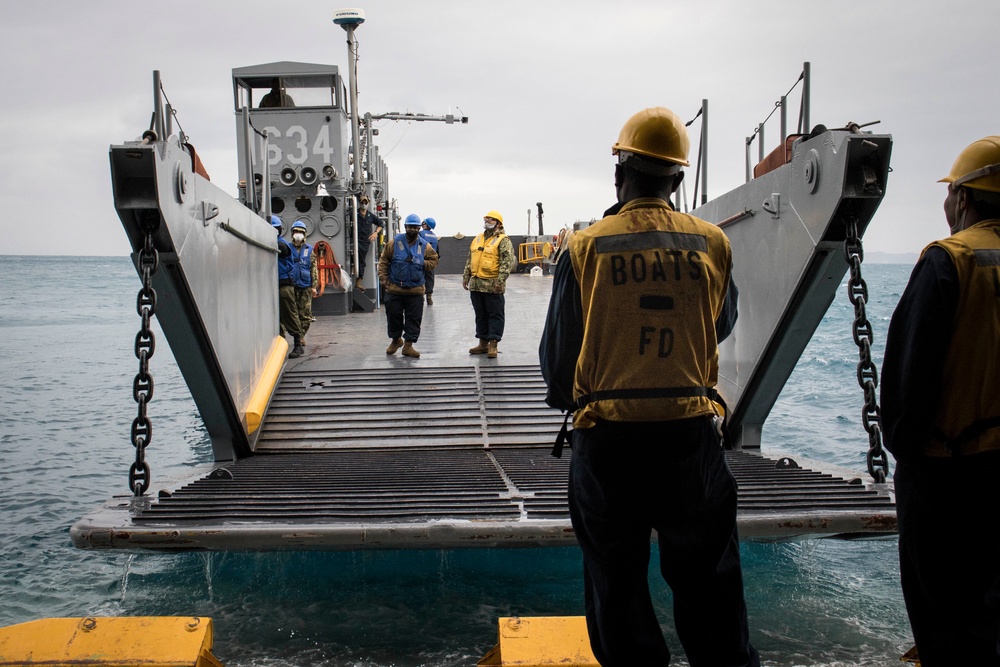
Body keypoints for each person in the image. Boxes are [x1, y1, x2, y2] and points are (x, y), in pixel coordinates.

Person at [538, 107, 757, 667]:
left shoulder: (586, 247)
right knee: (710, 582)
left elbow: (559, 361)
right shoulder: (711, 243)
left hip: (609, 442)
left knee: (617, 586)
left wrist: (587, 392)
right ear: (677, 180)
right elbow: (720, 322)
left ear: (620, 171)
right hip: (691, 439)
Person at [880, 136, 1000, 667]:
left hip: (947, 470)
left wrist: (906, 449)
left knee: (941, 613)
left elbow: (911, 374)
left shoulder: (948, 261)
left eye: (950, 192)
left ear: (966, 198)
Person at [378, 214, 439, 358]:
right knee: (393, 317)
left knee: (414, 319)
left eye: (415, 227)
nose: (412, 229)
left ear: (419, 228)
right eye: (410, 227)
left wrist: (423, 263)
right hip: (395, 289)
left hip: (415, 290)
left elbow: (434, 260)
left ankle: (408, 346)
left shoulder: (425, 245)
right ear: (405, 227)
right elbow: (384, 261)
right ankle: (396, 340)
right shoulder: (394, 243)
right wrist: (384, 279)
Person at [462, 210, 514, 359]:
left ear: (498, 223)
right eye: (486, 219)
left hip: (492, 285)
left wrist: (500, 281)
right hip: (476, 285)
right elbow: (470, 258)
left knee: (495, 315)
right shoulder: (478, 238)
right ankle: (483, 343)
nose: (488, 221)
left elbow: (507, 262)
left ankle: (493, 344)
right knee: (480, 315)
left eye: (491, 219)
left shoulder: (503, 240)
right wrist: (466, 276)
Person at [280, 220, 317, 358]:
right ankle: (283, 338)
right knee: (288, 313)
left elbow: (314, 268)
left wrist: (314, 286)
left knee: (305, 314)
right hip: (290, 285)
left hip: (305, 285)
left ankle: (300, 336)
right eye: (296, 232)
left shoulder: (309, 250)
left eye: (301, 232)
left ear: (305, 234)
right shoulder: (286, 248)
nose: (298, 234)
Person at [355, 195, 383, 291]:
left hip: (364, 242)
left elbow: (381, 224)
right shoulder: (354, 213)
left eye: (365, 202)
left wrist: (375, 233)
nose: (364, 204)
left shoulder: (370, 216)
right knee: (352, 259)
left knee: (362, 261)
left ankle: (358, 281)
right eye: (362, 202)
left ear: (368, 203)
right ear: (359, 202)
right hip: (354, 240)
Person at [420, 217, 440, 304]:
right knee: (430, 278)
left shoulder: (420, 234)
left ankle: (421, 295)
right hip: (431, 260)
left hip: (421, 259)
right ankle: (429, 297)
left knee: (420, 276)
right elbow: (437, 250)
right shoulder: (434, 236)